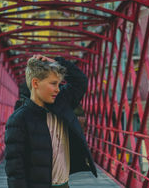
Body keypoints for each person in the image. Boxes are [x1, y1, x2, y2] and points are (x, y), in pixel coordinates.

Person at [5, 55, 97, 188]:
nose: (58, 89)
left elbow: (80, 81)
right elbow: (15, 173)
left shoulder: (62, 103)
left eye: (59, 84)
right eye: (53, 84)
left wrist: (58, 62)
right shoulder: (19, 120)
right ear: (35, 83)